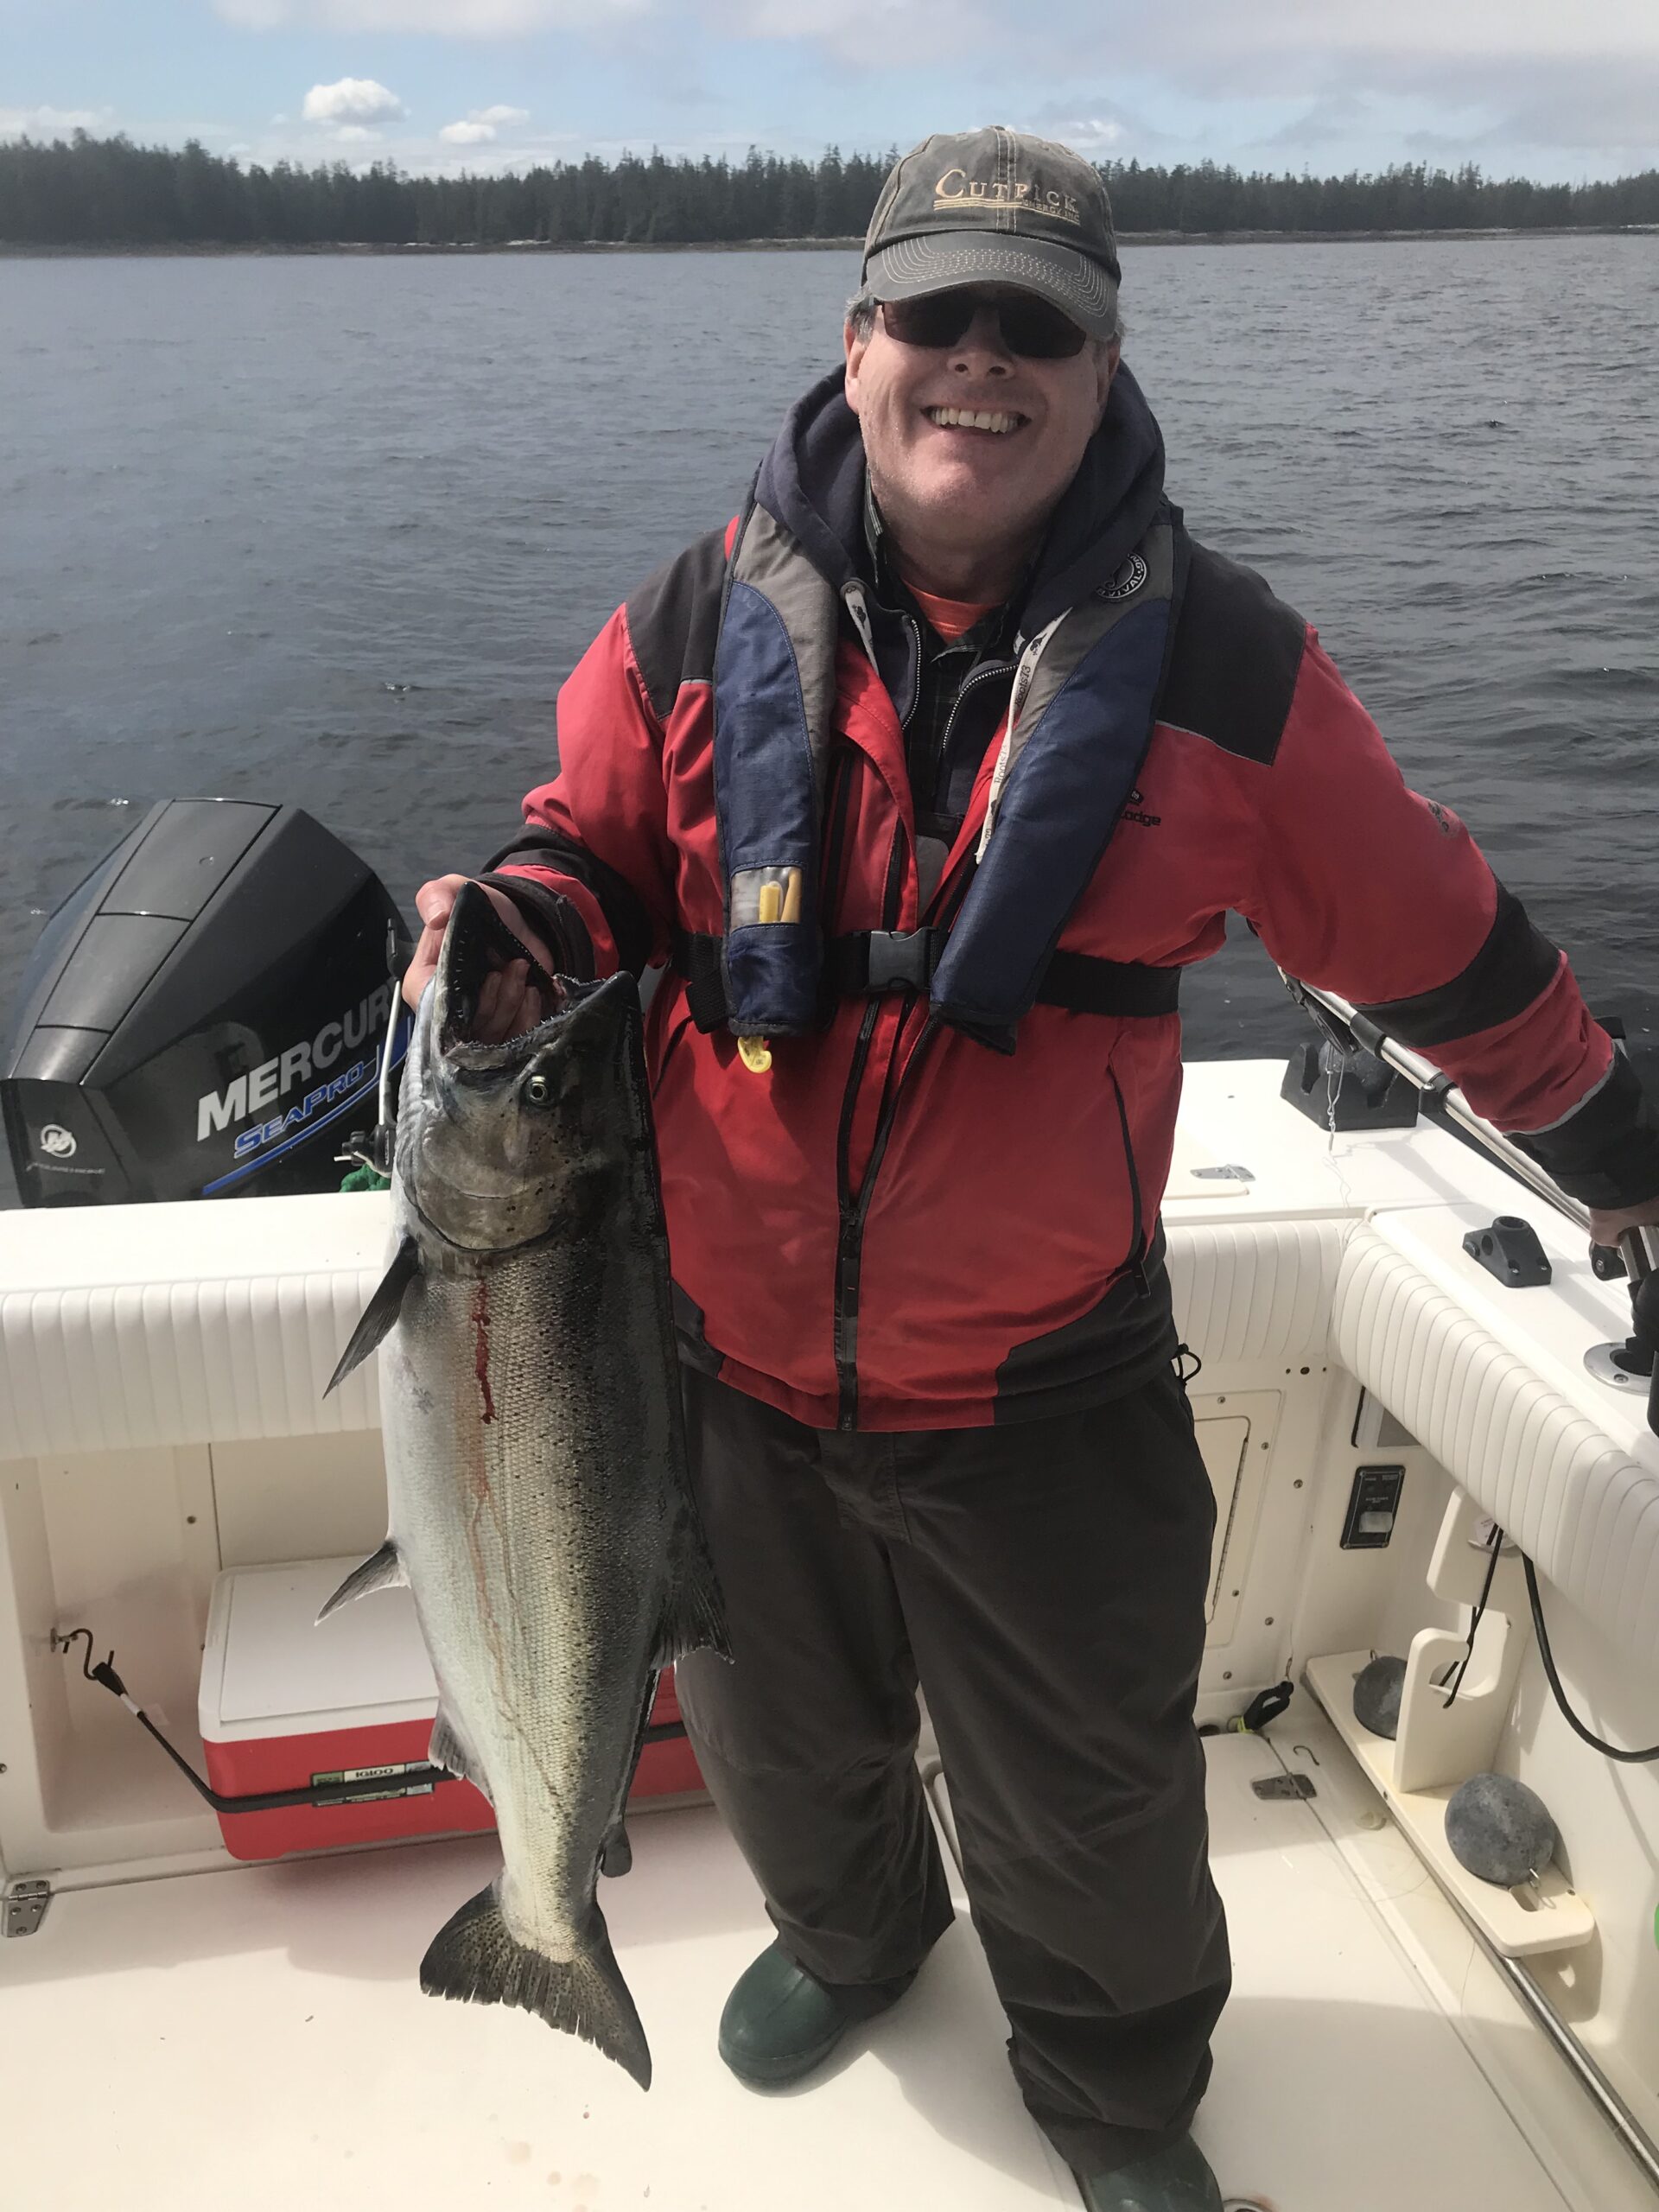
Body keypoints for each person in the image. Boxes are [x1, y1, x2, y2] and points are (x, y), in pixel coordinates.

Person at [404, 128, 1659, 2212]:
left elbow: (1448, 943)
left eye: (1037, 324)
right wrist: (519, 920)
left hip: (1046, 1387)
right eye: (939, 311)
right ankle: (856, 1938)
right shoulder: (690, 621)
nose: (981, 358)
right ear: (858, 341)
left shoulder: (1230, 671)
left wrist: (1617, 1141)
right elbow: (590, 846)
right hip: (715, 1372)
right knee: (782, 1755)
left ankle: (1114, 2087)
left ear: (1101, 365)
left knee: (1091, 1810)